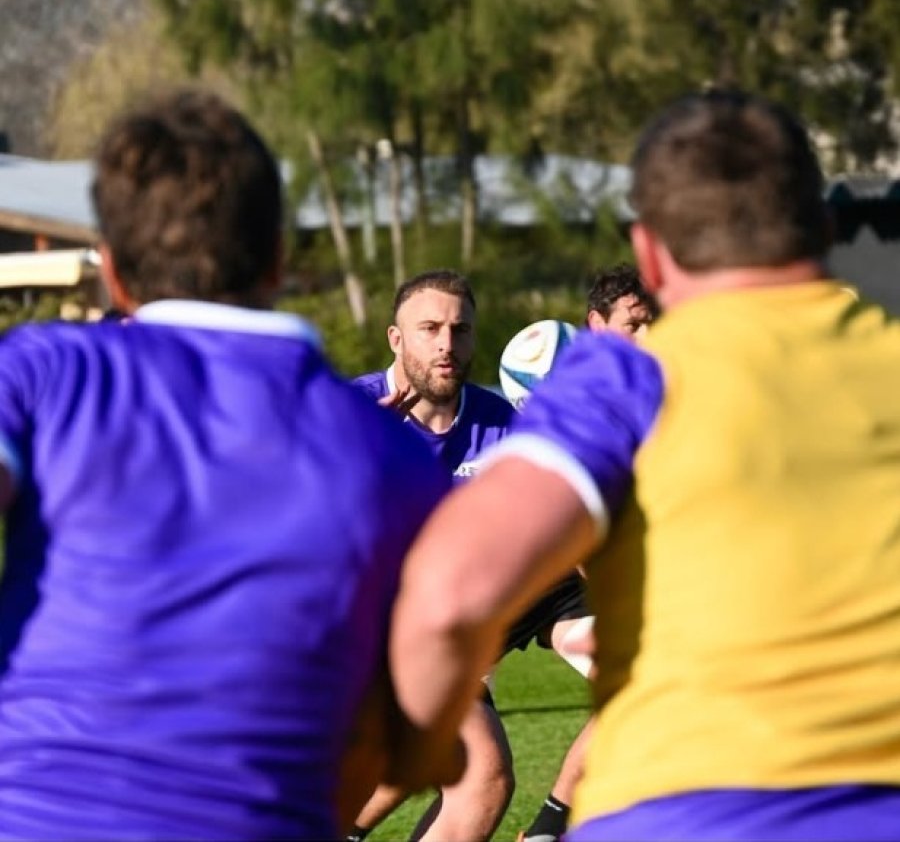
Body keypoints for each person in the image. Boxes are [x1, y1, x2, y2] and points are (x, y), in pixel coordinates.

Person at [387, 89, 900, 841]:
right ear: (823, 227)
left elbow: (451, 589)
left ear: (651, 250)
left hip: (674, 816)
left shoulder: (624, 382)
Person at [0, 90, 454, 840]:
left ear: (112, 271)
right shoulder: (396, 460)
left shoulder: (46, 372)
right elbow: (409, 734)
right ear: (279, 256)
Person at [350, 270, 605, 842]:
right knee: (477, 771)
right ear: (396, 339)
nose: (447, 344)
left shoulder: (504, 421)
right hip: (361, 635)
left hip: (450, 631)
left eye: (460, 330)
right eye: (430, 328)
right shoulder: (347, 413)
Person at [516, 262, 655, 842]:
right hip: (517, 580)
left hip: (562, 587)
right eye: (634, 323)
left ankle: (551, 828)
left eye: (654, 322)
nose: (648, 336)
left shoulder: (654, 392)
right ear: (595, 324)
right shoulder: (561, 391)